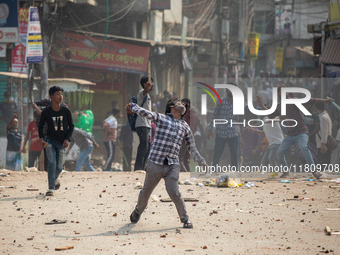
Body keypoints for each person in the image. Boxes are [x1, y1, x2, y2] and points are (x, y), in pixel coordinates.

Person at [126, 99, 207, 229]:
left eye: (183, 103)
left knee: (174, 192)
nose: (182, 104)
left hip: (172, 165)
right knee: (146, 192)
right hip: (155, 163)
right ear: (171, 107)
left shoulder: (185, 126)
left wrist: (201, 161)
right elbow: (147, 113)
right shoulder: (161, 118)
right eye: (178, 102)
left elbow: (192, 147)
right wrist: (133, 107)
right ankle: (137, 211)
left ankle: (185, 219)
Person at [257, 87, 333, 178]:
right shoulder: (279, 106)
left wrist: (325, 100)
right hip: (290, 135)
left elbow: (311, 99)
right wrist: (261, 105)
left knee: (304, 148)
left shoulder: (294, 101)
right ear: (279, 94)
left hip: (301, 132)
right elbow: (270, 114)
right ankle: (286, 172)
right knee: (279, 153)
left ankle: (314, 171)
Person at [38, 86, 74, 196]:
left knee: (59, 166)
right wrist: (42, 139)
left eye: (61, 94)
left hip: (62, 142)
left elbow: (71, 126)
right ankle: (51, 188)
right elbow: (41, 126)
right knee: (51, 163)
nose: (61, 96)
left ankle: (55, 178)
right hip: (49, 141)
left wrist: (68, 139)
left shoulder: (66, 111)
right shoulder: (46, 112)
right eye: (58, 94)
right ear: (51, 97)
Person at [207, 85, 241, 170]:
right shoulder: (220, 101)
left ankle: (234, 172)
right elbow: (214, 115)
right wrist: (210, 128)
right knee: (217, 153)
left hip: (233, 133)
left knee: (234, 153)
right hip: (221, 132)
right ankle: (214, 170)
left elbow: (246, 111)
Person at [134, 76, 154, 171]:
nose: (152, 85)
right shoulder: (141, 93)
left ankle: (144, 167)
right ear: (146, 84)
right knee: (143, 146)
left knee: (148, 147)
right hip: (142, 124)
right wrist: (147, 87)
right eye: (151, 83)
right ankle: (138, 168)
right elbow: (145, 91)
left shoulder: (148, 96)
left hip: (147, 124)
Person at [179, 98, 198, 172]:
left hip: (184, 140)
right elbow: (196, 128)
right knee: (186, 160)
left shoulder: (184, 116)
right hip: (191, 140)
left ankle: (185, 174)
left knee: (179, 159)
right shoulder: (194, 115)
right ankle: (189, 175)